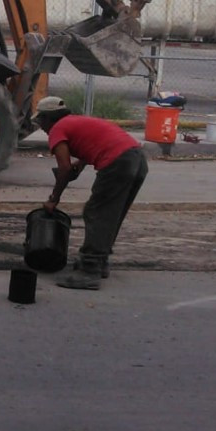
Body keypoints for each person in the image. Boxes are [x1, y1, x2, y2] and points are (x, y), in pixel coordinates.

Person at [35, 96, 149, 290]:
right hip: (137, 159)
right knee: (111, 214)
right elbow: (97, 141)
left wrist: (53, 199)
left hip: (118, 162)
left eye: (40, 121)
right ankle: (100, 261)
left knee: (96, 213)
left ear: (48, 118)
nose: (41, 127)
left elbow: (63, 169)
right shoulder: (77, 121)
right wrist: (80, 164)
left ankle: (89, 271)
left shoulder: (57, 129)